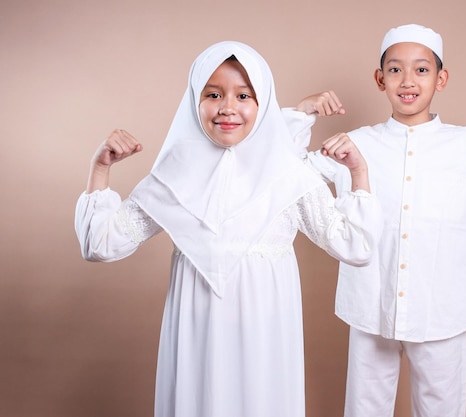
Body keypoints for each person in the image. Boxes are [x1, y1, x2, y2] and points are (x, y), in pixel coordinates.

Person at [74, 41, 382, 417]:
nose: (228, 108)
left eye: (244, 95)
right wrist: (100, 168)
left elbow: (355, 246)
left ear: (263, 103)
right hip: (197, 335)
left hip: (265, 335)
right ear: (194, 100)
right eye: (214, 94)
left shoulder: (287, 175)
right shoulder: (175, 174)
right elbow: (100, 244)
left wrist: (359, 173)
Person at [293, 24, 466, 417]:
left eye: (422, 69)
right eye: (396, 70)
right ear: (380, 79)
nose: (408, 80)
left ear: (441, 78)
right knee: (365, 410)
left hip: (442, 311)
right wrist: (300, 116)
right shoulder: (356, 143)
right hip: (370, 307)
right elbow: (288, 178)